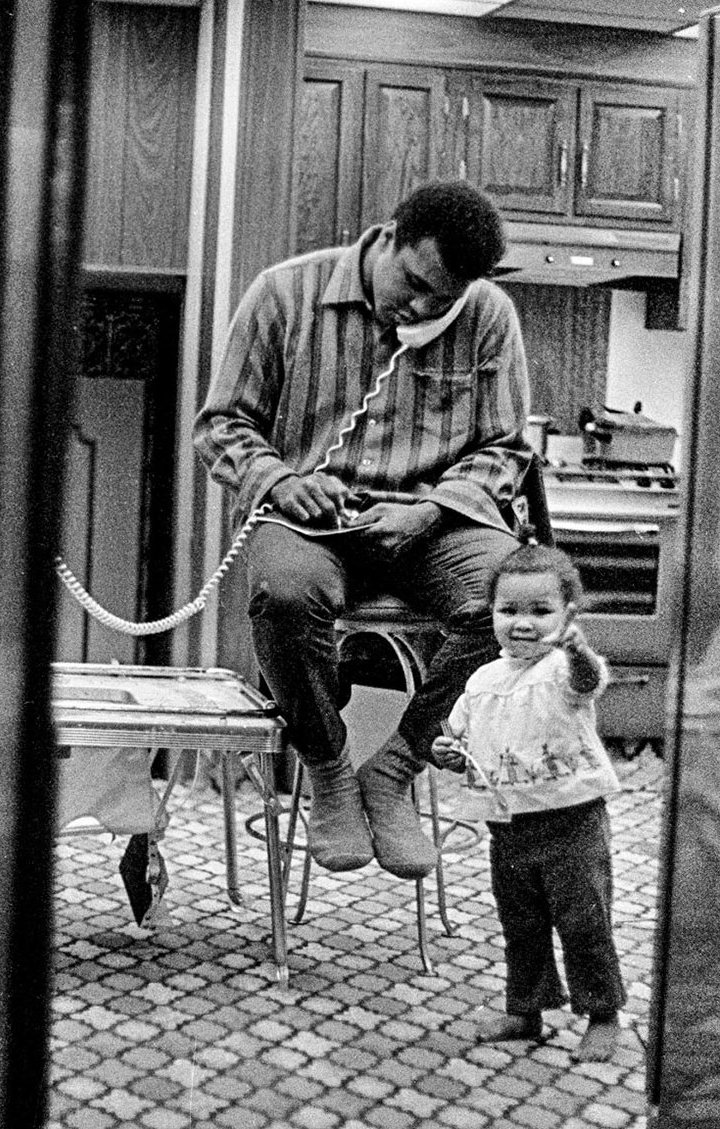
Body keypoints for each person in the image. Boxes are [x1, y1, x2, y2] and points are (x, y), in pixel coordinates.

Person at [194, 180, 532, 881]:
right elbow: (221, 426)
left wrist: (433, 509)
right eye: (413, 284)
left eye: (443, 301)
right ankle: (329, 767)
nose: (421, 308)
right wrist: (283, 481)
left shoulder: (490, 317)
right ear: (390, 236)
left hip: (433, 522)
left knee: (514, 596)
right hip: (310, 518)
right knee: (286, 595)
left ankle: (396, 768)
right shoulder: (285, 293)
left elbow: (504, 447)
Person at [431, 528, 626, 1062]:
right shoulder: (482, 679)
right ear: (491, 611)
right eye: (507, 609)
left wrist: (578, 650)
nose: (521, 622)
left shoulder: (561, 668)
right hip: (509, 824)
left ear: (567, 615)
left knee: (585, 920)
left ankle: (602, 1011)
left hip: (572, 820)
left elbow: (588, 683)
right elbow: (454, 735)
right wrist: (444, 750)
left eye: (540, 610)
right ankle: (526, 1009)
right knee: (520, 922)